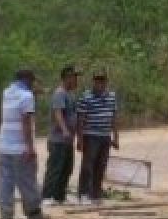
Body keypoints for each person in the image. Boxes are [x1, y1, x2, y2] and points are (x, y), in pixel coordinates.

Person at [0, 69, 48, 219]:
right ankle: (33, 214)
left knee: (5, 181)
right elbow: (26, 122)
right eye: (32, 81)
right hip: (20, 146)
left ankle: (6, 214)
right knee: (27, 181)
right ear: (28, 80)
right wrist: (30, 147)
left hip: (4, 144)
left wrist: (36, 92)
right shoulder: (27, 96)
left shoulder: (7, 92)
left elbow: (24, 95)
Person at [75, 69, 119, 205]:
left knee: (101, 165)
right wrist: (80, 139)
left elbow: (114, 118)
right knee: (88, 165)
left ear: (106, 82)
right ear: (93, 81)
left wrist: (116, 137)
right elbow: (81, 120)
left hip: (105, 136)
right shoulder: (86, 97)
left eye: (102, 80)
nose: (100, 83)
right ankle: (83, 193)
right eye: (97, 80)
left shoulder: (111, 96)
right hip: (91, 135)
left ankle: (96, 193)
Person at [42, 65, 80, 205]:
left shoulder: (70, 94)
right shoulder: (59, 93)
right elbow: (58, 113)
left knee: (67, 168)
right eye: (74, 77)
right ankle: (47, 196)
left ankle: (59, 196)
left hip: (68, 140)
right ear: (67, 78)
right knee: (55, 168)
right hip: (58, 139)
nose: (76, 80)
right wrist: (64, 129)